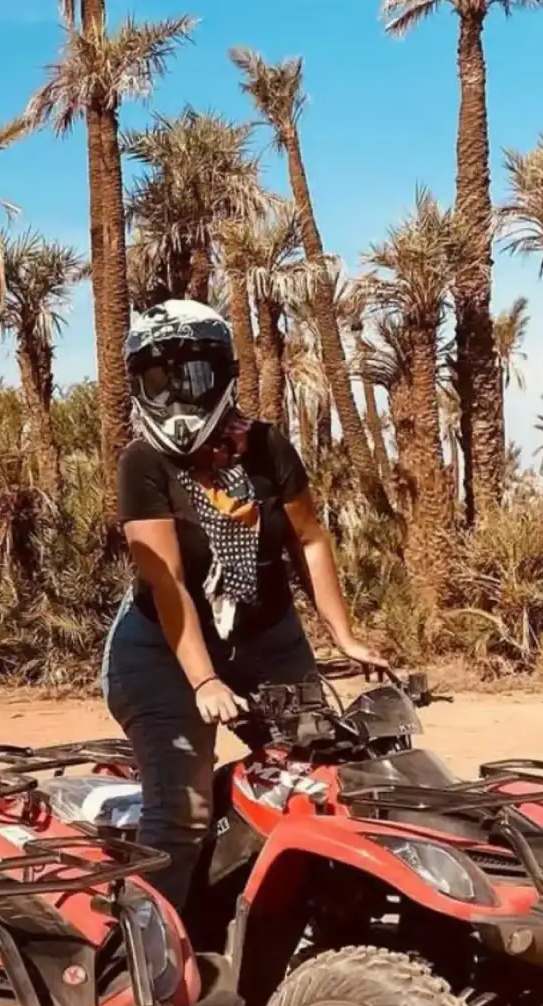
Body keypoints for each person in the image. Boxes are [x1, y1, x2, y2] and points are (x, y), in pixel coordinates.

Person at [101, 299, 388, 909]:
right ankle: (148, 959)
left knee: (320, 774)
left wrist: (344, 635)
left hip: (265, 634)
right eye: (159, 379)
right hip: (162, 650)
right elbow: (168, 582)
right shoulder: (142, 462)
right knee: (182, 812)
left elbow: (309, 540)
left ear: (223, 374)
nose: (178, 395)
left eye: (194, 376)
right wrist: (204, 681)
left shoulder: (266, 447)